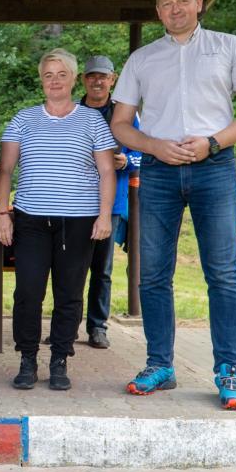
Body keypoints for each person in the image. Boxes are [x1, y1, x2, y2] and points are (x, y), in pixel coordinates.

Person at [111, 0, 236, 409]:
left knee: (221, 272)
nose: (175, 10)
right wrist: (152, 145)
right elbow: (120, 123)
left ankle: (228, 370)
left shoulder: (229, 47)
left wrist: (213, 142)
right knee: (153, 273)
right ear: (158, 11)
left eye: (183, 1)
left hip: (214, 167)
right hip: (160, 170)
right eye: (166, 4)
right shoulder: (142, 59)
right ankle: (159, 364)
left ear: (199, 4)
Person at [0, 48, 116, 391]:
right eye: (48, 75)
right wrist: (3, 213)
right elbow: (4, 169)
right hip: (31, 219)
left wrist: (104, 215)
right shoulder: (23, 119)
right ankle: (28, 357)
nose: (55, 81)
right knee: (28, 292)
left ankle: (60, 357)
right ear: (41, 80)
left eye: (62, 74)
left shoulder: (93, 121)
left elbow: (107, 171)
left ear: (74, 78)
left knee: (69, 293)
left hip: (79, 222)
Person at [78, 55, 141, 349]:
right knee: (68, 268)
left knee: (101, 270)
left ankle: (97, 326)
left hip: (110, 204)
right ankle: (64, 325)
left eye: (103, 76)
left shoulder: (125, 114)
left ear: (113, 80)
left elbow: (144, 154)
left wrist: (125, 160)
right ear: (83, 80)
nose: (97, 81)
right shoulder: (70, 110)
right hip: (73, 203)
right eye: (92, 76)